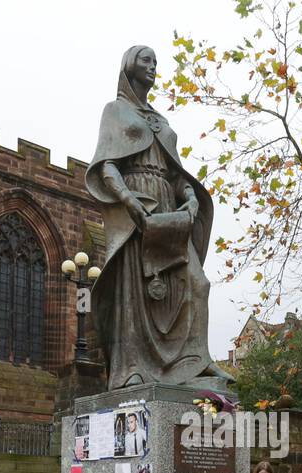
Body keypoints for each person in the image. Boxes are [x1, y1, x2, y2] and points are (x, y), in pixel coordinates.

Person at [85, 46, 232, 389]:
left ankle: (197, 364)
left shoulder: (160, 120)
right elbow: (107, 163)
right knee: (133, 292)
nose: (152, 67)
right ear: (129, 67)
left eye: (155, 62)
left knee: (197, 283)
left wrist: (192, 198)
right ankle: (132, 368)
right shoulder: (116, 111)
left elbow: (176, 173)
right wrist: (127, 200)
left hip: (170, 209)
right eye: (145, 61)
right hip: (138, 204)